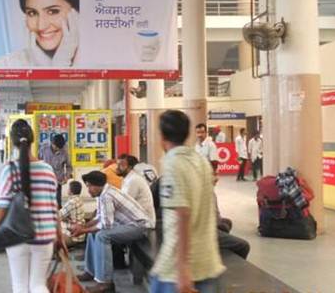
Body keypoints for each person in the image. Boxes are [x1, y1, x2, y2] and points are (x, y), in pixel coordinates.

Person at [0, 119, 64, 293]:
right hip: (45, 236)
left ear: (12, 141)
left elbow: (2, 207)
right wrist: (60, 236)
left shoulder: (10, 170)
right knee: (39, 285)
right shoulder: (48, 170)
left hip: (17, 235)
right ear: (33, 140)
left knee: (20, 285)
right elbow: (54, 207)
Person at [150, 110, 225, 293]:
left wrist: (182, 269)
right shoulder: (200, 161)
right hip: (208, 262)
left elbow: (182, 214)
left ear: (162, 136)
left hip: (175, 270)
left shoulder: (172, 164)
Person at [74, 171, 153, 293]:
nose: (88, 189)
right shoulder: (103, 194)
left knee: (102, 235)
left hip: (140, 226)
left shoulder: (107, 196)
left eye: (89, 186)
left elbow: (106, 225)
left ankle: (106, 282)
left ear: (96, 185)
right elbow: (99, 218)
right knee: (92, 233)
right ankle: (90, 271)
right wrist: (83, 227)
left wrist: (82, 230)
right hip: (128, 225)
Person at [0, 0, 80, 68]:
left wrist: (61, 63)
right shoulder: (5, 65)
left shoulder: (93, 60)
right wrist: (41, 65)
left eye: (53, 11)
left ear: (76, 13)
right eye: (32, 13)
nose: (41, 26)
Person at [116, 154, 156, 225]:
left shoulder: (133, 180)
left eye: (121, 165)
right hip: (134, 219)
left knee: (103, 233)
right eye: (117, 164)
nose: (117, 167)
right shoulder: (128, 179)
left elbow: (124, 205)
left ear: (130, 167)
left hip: (143, 223)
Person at [38, 134, 72, 208]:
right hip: (44, 181)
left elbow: (69, 166)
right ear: (52, 143)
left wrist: (66, 176)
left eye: (60, 148)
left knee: (57, 204)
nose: (58, 149)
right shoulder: (43, 149)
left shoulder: (64, 151)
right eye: (56, 147)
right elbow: (38, 162)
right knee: (45, 204)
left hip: (57, 181)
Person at [59, 180, 86, 246]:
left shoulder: (71, 202)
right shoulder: (79, 199)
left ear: (70, 191)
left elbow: (58, 217)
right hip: (80, 235)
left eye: (68, 188)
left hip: (73, 237)